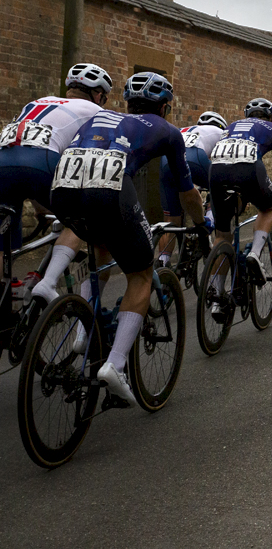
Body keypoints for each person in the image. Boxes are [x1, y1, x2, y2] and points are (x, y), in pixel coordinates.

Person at [49, 71, 208, 404]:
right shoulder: (168, 131)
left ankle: (83, 330)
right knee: (140, 273)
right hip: (109, 190)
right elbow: (187, 194)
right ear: (165, 106)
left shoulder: (100, 116)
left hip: (62, 189)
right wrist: (200, 224)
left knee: (101, 249)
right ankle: (116, 366)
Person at [5, 63, 112, 352]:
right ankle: (48, 283)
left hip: (4, 164)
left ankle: (7, 297)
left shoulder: (36, 102)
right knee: (80, 220)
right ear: (99, 95)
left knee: (5, 242)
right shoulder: (95, 111)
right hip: (42, 164)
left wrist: (41, 210)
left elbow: (22, 153)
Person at [209, 99, 272, 288]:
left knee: (222, 236)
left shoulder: (231, 126)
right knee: (268, 208)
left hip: (215, 171)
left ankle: (216, 295)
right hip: (249, 168)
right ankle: (255, 253)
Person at [155, 110, 225, 268]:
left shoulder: (187, 129)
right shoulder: (222, 133)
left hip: (166, 163)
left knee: (171, 221)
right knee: (220, 190)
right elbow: (222, 166)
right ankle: (207, 223)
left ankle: (163, 264)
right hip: (195, 158)